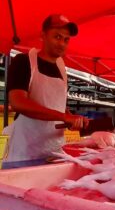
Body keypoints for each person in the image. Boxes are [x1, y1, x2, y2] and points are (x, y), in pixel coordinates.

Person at [2, 14, 89, 168]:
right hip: (24, 152)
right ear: (43, 35)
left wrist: (71, 119)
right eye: (57, 36)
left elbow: (57, 106)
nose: (62, 43)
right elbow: (18, 102)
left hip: (54, 151)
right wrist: (62, 116)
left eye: (66, 39)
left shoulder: (62, 69)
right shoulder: (23, 61)